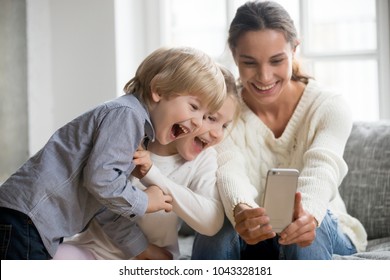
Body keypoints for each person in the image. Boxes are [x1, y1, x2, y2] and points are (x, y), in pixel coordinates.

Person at [0, 46, 227, 260]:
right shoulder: (127, 116)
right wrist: (144, 200)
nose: (198, 122)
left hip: (28, 220)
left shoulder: (135, 131)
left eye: (206, 114)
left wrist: (141, 248)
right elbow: (101, 180)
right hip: (27, 219)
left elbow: (104, 203)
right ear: (158, 90)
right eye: (194, 107)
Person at [192, 0, 367, 260]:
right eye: (249, 62)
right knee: (215, 226)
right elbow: (228, 169)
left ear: (294, 49)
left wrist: (307, 214)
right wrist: (241, 210)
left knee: (304, 226)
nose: (264, 77)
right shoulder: (221, 112)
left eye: (276, 61)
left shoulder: (329, 106)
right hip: (252, 233)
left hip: (319, 226)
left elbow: (322, 168)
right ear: (234, 54)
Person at [52, 66, 240, 260]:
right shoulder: (131, 137)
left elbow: (210, 223)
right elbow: (100, 197)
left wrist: (153, 174)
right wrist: (140, 247)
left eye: (224, 125)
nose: (218, 133)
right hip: (94, 250)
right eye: (210, 118)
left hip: (156, 258)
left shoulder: (204, 159)